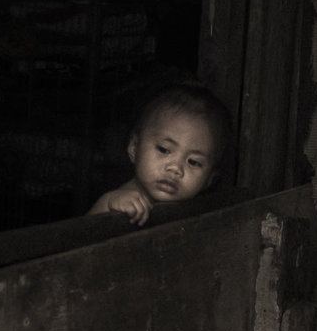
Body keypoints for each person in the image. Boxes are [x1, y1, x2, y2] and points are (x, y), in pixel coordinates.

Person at [89, 84, 230, 225]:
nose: (175, 168)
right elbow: (80, 237)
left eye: (193, 162)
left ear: (209, 180)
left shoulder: (198, 215)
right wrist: (107, 203)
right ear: (134, 148)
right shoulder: (116, 202)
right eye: (164, 150)